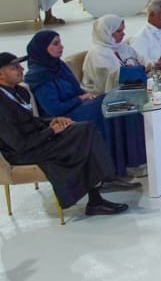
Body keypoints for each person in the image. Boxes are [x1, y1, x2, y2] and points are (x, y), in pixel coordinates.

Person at [0, 52, 128, 216]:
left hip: (36, 140)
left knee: (85, 130)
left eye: (19, 65)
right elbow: (19, 144)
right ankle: (103, 184)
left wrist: (51, 121)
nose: (21, 69)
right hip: (22, 153)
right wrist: (51, 131)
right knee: (83, 135)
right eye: (14, 67)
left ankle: (100, 189)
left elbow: (29, 121)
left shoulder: (17, 91)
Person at [24, 30, 130, 177]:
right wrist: (80, 99)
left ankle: (124, 163)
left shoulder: (58, 65)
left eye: (60, 42)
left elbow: (77, 90)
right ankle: (109, 171)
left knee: (113, 102)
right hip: (62, 117)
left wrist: (85, 97)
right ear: (43, 48)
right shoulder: (38, 75)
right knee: (104, 108)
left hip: (77, 107)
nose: (61, 46)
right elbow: (54, 109)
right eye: (55, 44)